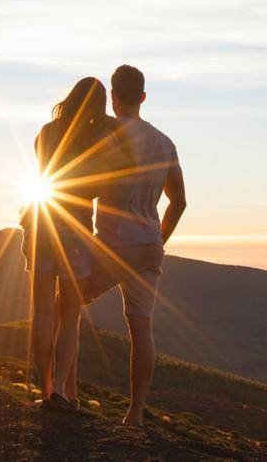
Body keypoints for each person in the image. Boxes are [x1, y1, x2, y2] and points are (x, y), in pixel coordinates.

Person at [88, 65, 186, 427]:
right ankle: (135, 414)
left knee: (66, 299)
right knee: (141, 330)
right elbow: (179, 202)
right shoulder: (164, 143)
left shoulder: (109, 134)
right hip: (149, 245)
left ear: (113, 97)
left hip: (114, 244)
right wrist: (159, 239)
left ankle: (59, 390)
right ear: (143, 97)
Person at [22, 76, 119, 412]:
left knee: (42, 314)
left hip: (41, 222)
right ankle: (62, 392)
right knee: (69, 316)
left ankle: (46, 389)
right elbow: (103, 185)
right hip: (75, 228)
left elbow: (44, 173)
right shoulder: (98, 139)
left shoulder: (46, 133)